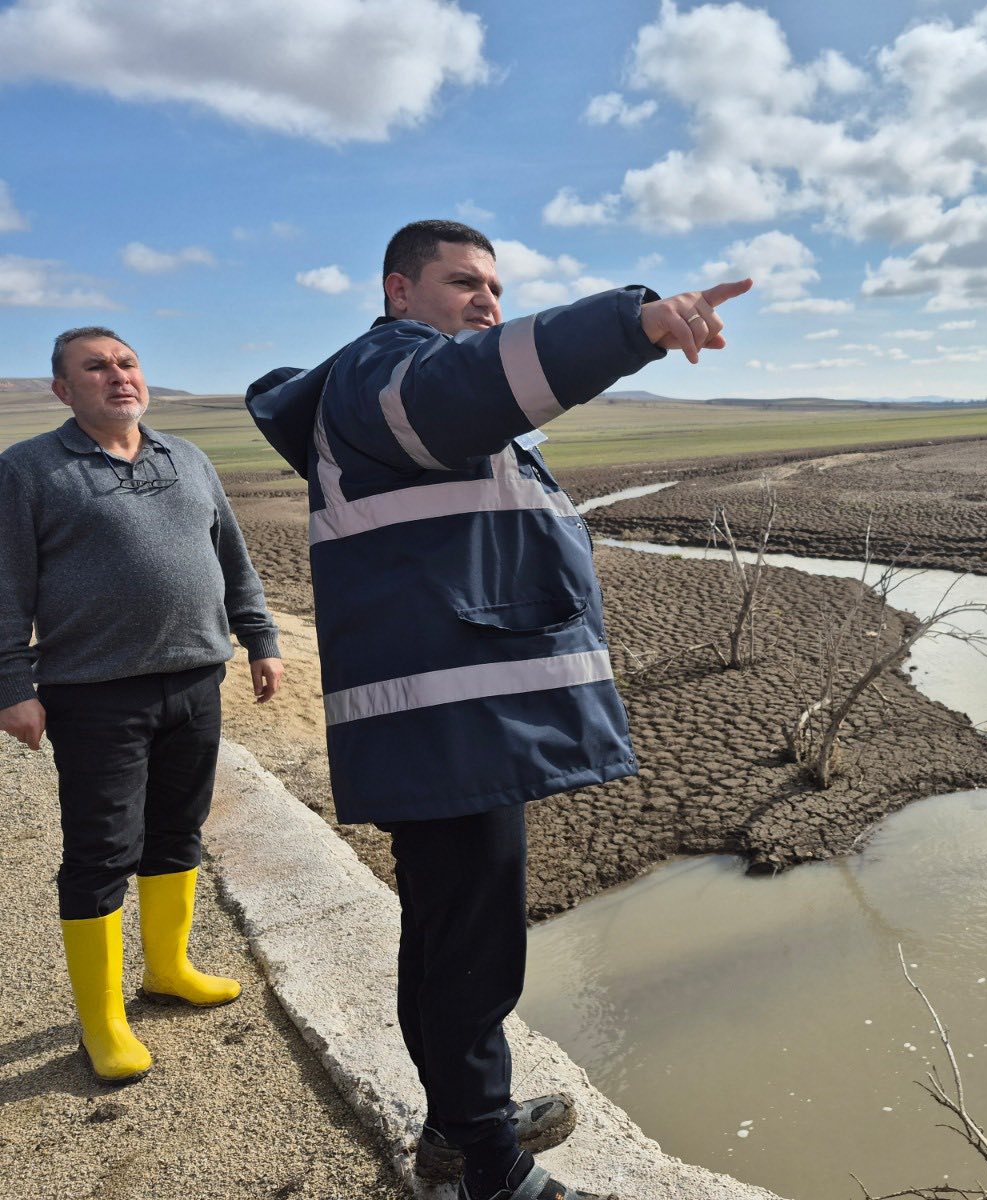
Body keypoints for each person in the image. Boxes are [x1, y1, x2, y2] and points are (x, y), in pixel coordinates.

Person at [246, 219, 749, 1200]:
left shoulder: (388, 382)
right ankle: (489, 1169)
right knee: (473, 948)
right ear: (398, 292)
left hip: (447, 715)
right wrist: (634, 325)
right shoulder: (389, 371)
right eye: (462, 283)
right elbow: (467, 387)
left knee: (447, 930)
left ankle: (458, 1124)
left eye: (494, 286)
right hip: (448, 720)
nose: (486, 300)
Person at [0, 327, 285, 1085]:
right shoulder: (27, 470)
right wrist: (11, 685)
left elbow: (234, 559)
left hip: (195, 681)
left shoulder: (185, 458)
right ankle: (102, 1023)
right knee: (99, 852)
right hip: (93, 693)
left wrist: (260, 639)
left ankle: (168, 969)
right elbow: (4, 587)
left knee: (177, 829)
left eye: (127, 363)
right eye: (96, 367)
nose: (118, 376)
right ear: (63, 390)